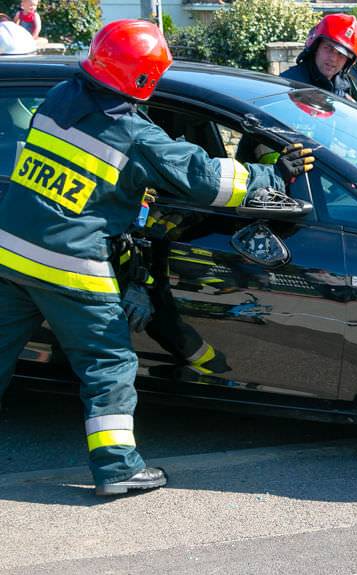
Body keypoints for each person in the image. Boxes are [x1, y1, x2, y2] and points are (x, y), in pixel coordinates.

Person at [0, 19, 314, 496]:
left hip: (11, 251)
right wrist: (273, 175)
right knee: (108, 362)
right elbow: (206, 180)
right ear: (143, 78)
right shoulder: (133, 133)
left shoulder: (62, 95)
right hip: (70, 263)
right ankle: (118, 469)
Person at [280, 13, 357, 98]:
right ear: (315, 48)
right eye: (328, 48)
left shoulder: (344, 87)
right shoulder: (288, 84)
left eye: (341, 54)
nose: (333, 58)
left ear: (347, 61)